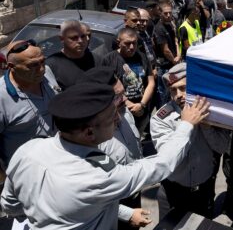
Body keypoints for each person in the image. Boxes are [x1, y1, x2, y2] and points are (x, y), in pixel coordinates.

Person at [0, 82, 210, 229]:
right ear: (89, 132)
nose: (118, 119)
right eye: (112, 117)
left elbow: (10, 204)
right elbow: (161, 165)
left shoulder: (28, 150)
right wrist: (186, 125)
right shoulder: (98, 176)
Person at [150, 63, 229, 218]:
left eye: (183, 88)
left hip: (204, 188)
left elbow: (222, 147)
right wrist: (187, 125)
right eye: (173, 90)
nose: (178, 94)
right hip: (174, 191)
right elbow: (170, 158)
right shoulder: (161, 119)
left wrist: (206, 127)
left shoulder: (212, 113)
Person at [76, 67, 143, 230]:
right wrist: (127, 214)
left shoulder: (125, 112)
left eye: (123, 92)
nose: (125, 99)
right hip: (111, 210)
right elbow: (91, 192)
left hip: (134, 193)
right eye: (118, 96)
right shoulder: (87, 137)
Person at [0, 40, 60, 210]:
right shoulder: (2, 97)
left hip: (58, 166)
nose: (41, 69)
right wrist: (6, 179)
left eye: (43, 61)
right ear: (11, 66)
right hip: (25, 178)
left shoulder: (47, 73)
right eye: (33, 65)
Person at [102, 28, 155, 138]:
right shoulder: (109, 60)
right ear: (118, 42)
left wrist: (142, 104)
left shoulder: (142, 57)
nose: (131, 47)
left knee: (138, 136)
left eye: (134, 43)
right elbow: (108, 88)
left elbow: (151, 82)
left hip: (142, 110)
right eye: (127, 43)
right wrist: (130, 105)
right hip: (122, 111)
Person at [46, 20, 101, 90]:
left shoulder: (97, 60)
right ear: (62, 38)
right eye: (74, 37)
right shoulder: (51, 65)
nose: (80, 41)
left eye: (83, 36)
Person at [154, 1, 180, 106]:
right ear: (160, 13)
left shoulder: (171, 25)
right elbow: (165, 50)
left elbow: (175, 41)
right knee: (164, 94)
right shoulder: (159, 28)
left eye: (170, 12)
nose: (168, 15)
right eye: (165, 13)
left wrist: (178, 55)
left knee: (172, 91)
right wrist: (174, 60)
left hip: (173, 64)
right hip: (165, 66)